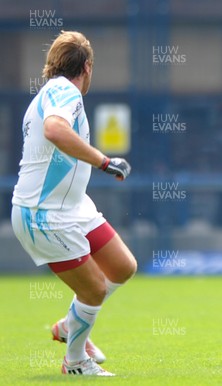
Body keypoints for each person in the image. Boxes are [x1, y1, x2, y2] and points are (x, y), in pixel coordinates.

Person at [11, 31, 136, 376]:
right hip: (44, 214)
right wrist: (104, 161)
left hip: (72, 205)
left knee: (123, 266)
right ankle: (76, 361)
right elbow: (54, 130)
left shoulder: (50, 91)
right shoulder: (65, 91)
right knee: (94, 288)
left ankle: (70, 323)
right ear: (88, 67)